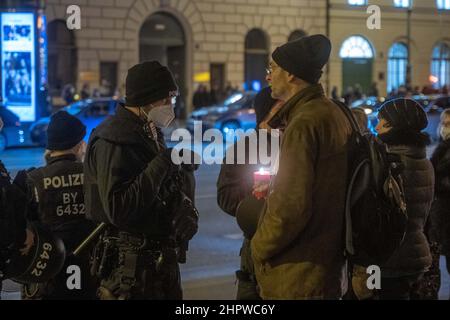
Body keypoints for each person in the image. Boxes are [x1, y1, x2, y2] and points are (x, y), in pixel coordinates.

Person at [83, 61, 199, 300]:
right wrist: (164, 161)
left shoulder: (147, 130)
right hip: (131, 271)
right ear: (147, 99)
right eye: (166, 99)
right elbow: (119, 208)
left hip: (156, 263)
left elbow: (156, 187)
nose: (170, 106)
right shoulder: (114, 139)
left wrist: (180, 170)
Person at [250, 34, 352, 299]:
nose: (268, 77)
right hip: (325, 266)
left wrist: (258, 246)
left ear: (292, 75)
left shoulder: (304, 123)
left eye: (272, 70)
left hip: (298, 274)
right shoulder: (331, 113)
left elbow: (291, 206)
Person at [21, 111, 97, 300]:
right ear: (79, 145)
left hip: (46, 274)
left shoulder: (32, 179)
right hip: (89, 271)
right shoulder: (93, 175)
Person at [217, 87, 282, 300]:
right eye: (281, 108)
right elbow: (225, 197)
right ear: (268, 112)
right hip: (256, 245)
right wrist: (256, 190)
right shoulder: (242, 148)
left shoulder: (295, 143)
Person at [375, 98, 434, 300]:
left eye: (380, 122)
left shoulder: (392, 163)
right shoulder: (422, 160)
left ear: (393, 125)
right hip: (416, 252)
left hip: (392, 258)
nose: (376, 127)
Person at [430, 109, 450, 299]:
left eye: (448, 123)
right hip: (442, 212)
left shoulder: (444, 150)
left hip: (445, 210)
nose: (443, 127)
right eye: (443, 122)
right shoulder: (441, 148)